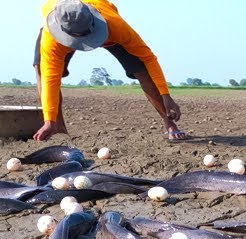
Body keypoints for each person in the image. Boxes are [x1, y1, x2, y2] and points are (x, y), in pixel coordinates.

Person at [32, 0, 185, 141]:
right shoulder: (51, 38)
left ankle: (170, 123)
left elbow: (148, 58)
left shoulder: (115, 26)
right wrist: (49, 119)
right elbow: (50, 78)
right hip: (60, 35)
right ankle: (57, 128)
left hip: (108, 34)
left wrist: (166, 95)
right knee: (41, 70)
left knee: (142, 69)